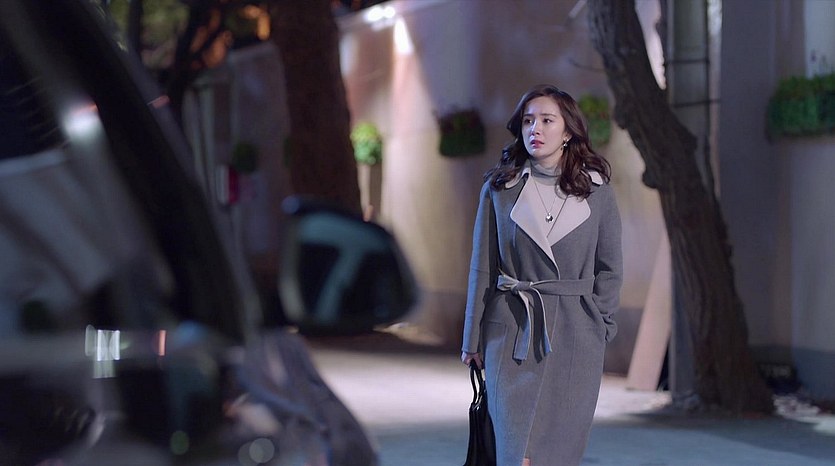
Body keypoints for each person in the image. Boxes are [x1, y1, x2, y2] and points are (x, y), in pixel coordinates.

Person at [461, 84, 622, 466]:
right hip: (511, 330)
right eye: (528, 121)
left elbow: (610, 268)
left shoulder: (597, 192)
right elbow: (482, 267)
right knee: (515, 452)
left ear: (568, 131)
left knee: (557, 453)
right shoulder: (500, 189)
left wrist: (600, 325)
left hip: (575, 336)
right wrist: (472, 338)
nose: (535, 128)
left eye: (547, 120)